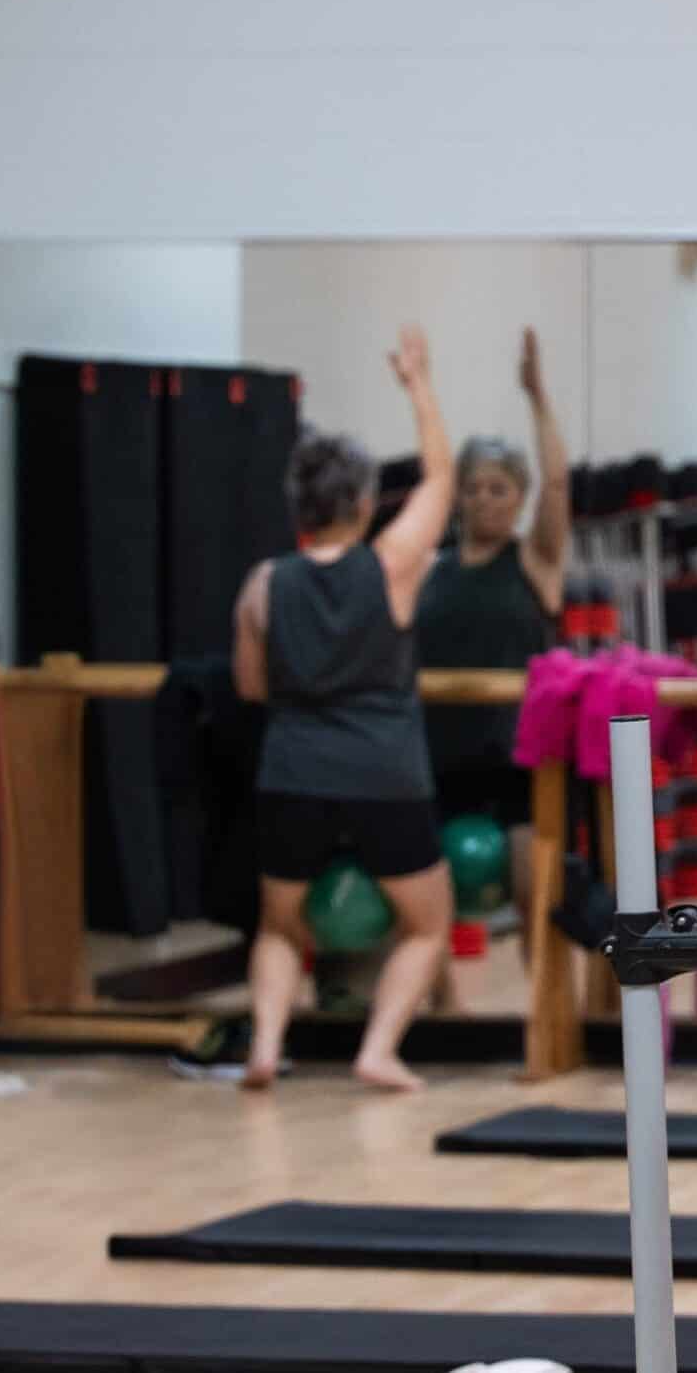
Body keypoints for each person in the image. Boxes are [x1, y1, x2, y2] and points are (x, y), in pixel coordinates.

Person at [230, 326, 456, 1092]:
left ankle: (264, 1046)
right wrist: (417, 384)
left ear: (300, 505)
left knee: (278, 926)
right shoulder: (390, 565)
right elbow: (441, 482)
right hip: (384, 769)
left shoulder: (264, 582)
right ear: (363, 502)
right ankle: (378, 1050)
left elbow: (252, 688)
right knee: (428, 923)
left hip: (291, 767)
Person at [414, 327, 569, 911]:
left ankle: (540, 1003)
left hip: (513, 755)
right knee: (429, 903)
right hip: (438, 753)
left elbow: (558, 483)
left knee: (534, 898)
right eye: (474, 488)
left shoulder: (535, 560)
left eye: (499, 489)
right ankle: (441, 1004)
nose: (484, 499)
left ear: (520, 495)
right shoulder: (431, 566)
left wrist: (537, 396)